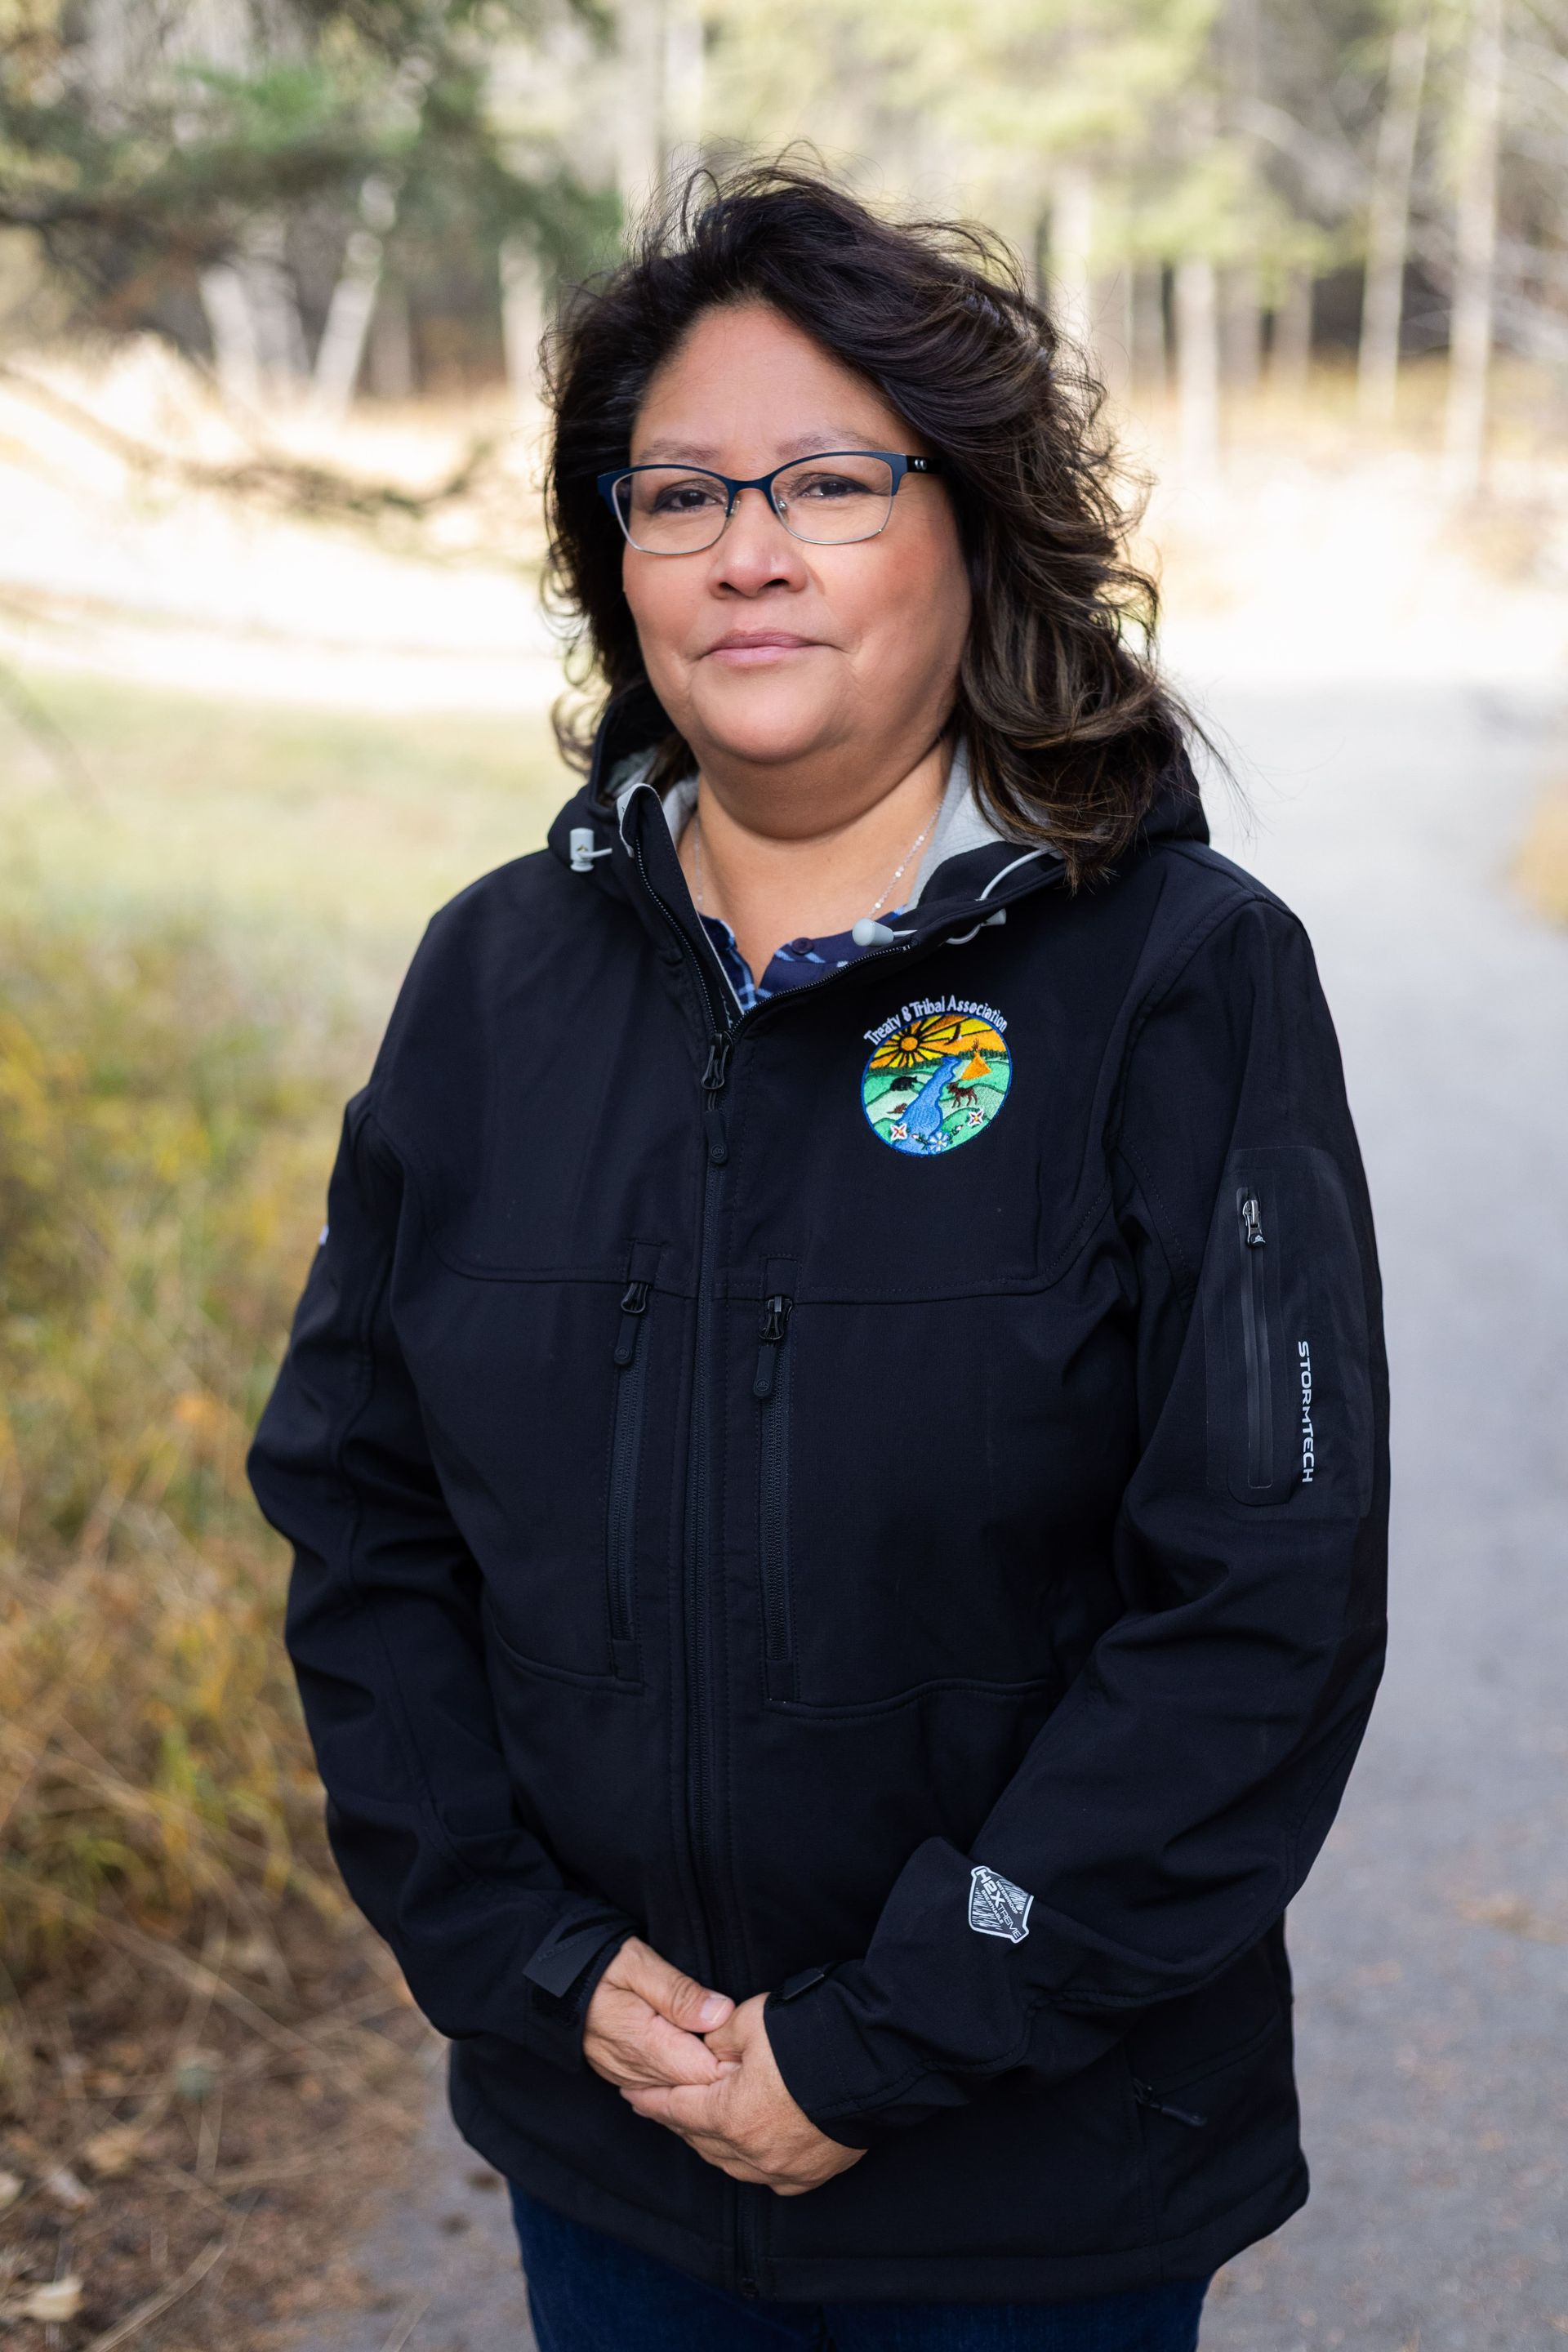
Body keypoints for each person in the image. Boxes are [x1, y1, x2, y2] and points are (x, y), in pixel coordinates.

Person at [248, 164, 1388, 2352]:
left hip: (1040, 2181)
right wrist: (529, 1955)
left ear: (974, 528)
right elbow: (362, 1513)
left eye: (830, 483)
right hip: (616, 2143)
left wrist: (887, 2041)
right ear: (617, 561)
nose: (746, 550)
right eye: (679, 493)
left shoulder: (1181, 977)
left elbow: (1264, 1597)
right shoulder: (490, 981)